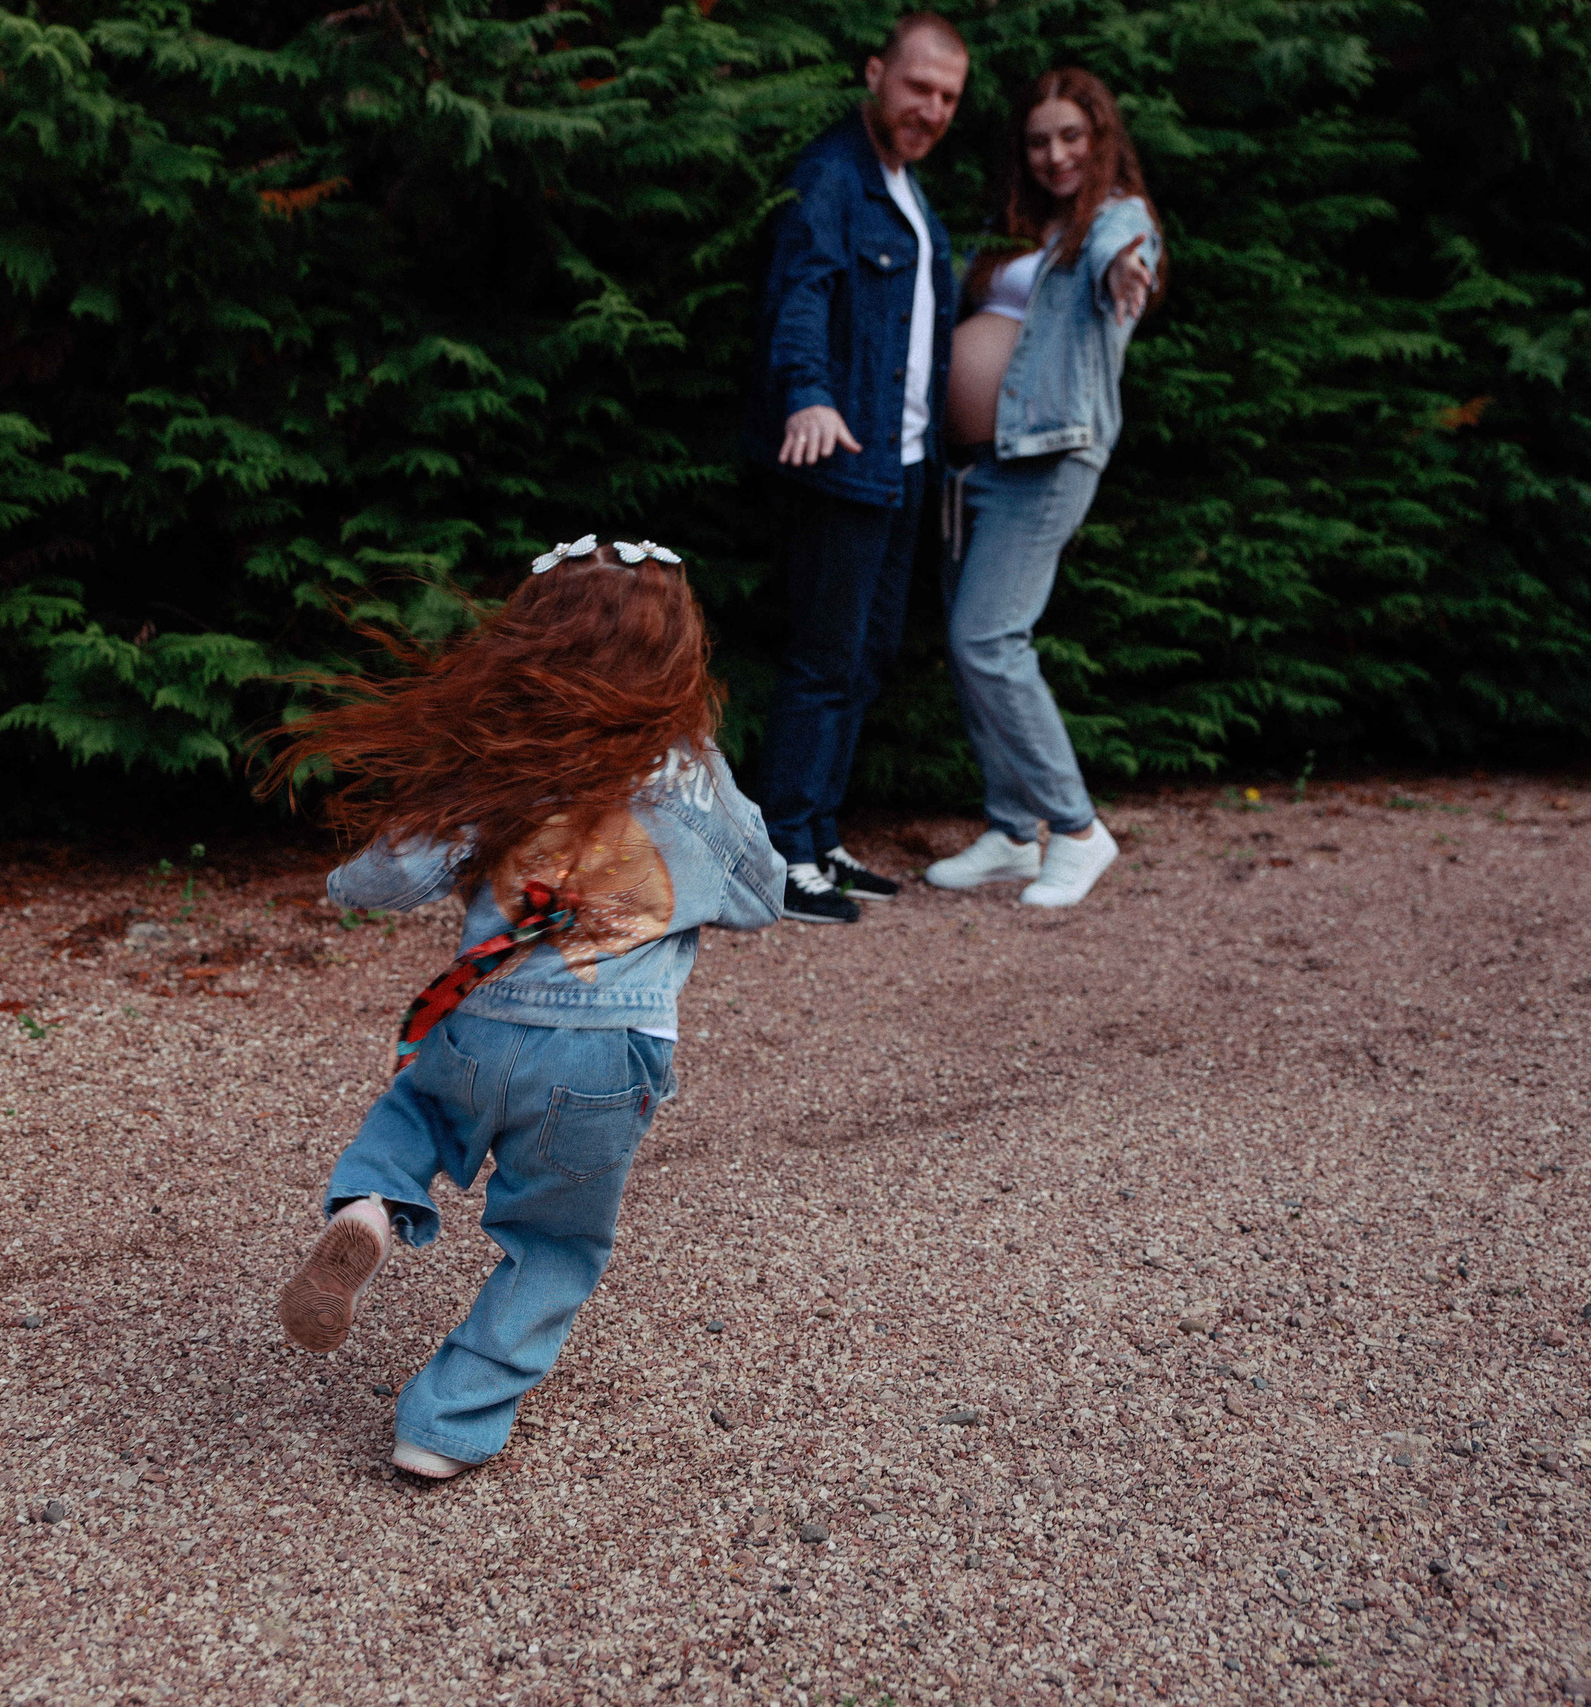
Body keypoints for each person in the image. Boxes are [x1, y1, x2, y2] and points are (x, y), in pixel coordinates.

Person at [264, 535, 785, 1480]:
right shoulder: (689, 774)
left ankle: (375, 1208)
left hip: (479, 1023)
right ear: (678, 660)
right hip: (603, 1059)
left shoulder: (497, 762)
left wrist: (343, 881)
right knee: (552, 1243)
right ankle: (447, 1423)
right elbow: (762, 894)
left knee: (416, 1107)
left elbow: (392, 874)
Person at [742, 14, 969, 925]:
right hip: (844, 454)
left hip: (905, 462)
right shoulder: (832, 176)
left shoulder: (905, 188)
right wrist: (807, 393)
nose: (931, 109)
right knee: (825, 656)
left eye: (948, 97)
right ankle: (784, 852)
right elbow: (800, 293)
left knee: (866, 655)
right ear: (876, 73)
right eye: (918, 87)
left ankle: (820, 833)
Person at [923, 68, 1164, 908]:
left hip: (1050, 453)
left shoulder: (1116, 222)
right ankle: (1013, 830)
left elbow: (1115, 261)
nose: (1056, 153)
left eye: (1071, 135)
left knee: (991, 638)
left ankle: (1077, 827)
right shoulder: (1017, 226)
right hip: (969, 466)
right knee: (967, 644)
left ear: (1099, 137)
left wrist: (1124, 271)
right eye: (1038, 139)